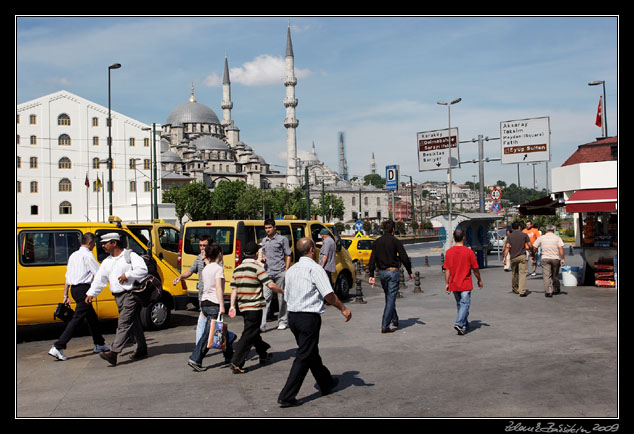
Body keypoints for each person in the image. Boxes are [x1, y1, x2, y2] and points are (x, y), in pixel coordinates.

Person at [277, 237, 351, 408]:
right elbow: (329, 295)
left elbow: (286, 296)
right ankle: (287, 395)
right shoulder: (315, 269)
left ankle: (326, 382)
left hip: (293, 317)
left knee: (310, 352)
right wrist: (343, 308)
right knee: (304, 355)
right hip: (308, 318)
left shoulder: (291, 270)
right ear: (312, 250)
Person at [85, 233, 148, 366]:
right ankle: (142, 348)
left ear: (114, 243)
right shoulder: (107, 262)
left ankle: (113, 352)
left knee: (124, 323)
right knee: (133, 322)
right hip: (118, 297)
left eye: (105, 243)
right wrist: (91, 294)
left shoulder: (130, 256)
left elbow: (143, 270)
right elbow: (100, 280)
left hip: (131, 294)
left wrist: (128, 275)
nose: (103, 246)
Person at [48, 232, 110, 361]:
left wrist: (65, 295)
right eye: (93, 244)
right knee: (77, 319)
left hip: (74, 290)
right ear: (90, 243)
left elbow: (67, 277)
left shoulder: (73, 255)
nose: (94, 246)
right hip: (84, 289)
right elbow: (98, 274)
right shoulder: (88, 256)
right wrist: (94, 291)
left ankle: (99, 343)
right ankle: (58, 346)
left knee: (92, 317)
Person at [228, 241, 284, 374]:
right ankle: (236, 362)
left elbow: (234, 290)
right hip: (255, 306)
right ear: (255, 255)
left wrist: (232, 306)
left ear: (243, 254)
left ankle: (263, 353)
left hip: (243, 307)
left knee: (253, 332)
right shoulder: (257, 268)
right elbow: (270, 285)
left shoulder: (237, 269)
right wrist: (283, 292)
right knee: (249, 334)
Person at [188, 243, 235, 371]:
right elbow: (219, 288)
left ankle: (230, 355)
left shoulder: (206, 268)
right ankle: (196, 358)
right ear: (219, 254)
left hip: (204, 302)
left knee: (219, 331)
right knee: (210, 334)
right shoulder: (218, 269)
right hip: (214, 303)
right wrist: (222, 305)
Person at [368, 220, 413, 333]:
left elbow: (372, 259)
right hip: (393, 272)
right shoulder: (395, 241)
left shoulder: (377, 242)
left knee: (389, 296)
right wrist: (409, 271)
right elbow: (404, 258)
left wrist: (371, 275)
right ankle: (385, 325)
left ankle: (395, 318)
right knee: (391, 298)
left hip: (381, 273)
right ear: (393, 230)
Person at [443, 229, 483, 335]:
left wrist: (447, 283)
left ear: (454, 238)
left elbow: (447, 270)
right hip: (465, 283)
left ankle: (464, 325)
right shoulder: (469, 252)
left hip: (454, 283)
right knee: (465, 304)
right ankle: (459, 323)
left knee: (460, 305)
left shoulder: (449, 252)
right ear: (464, 238)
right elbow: (475, 268)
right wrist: (479, 280)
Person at [173, 236, 211, 343]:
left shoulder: (215, 258)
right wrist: (180, 277)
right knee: (202, 324)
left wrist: (205, 259)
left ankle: (228, 339)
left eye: (204, 245)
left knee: (215, 325)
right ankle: (198, 348)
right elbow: (190, 271)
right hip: (202, 297)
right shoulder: (199, 258)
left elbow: (215, 271)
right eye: (200, 245)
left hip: (213, 298)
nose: (202, 248)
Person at [260, 218, 292, 331]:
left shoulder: (282, 239)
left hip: (279, 272)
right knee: (265, 299)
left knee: (281, 298)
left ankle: (283, 321)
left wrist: (287, 269)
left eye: (269, 227)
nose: (267, 230)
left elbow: (288, 254)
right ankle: (262, 324)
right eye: (266, 228)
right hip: (267, 273)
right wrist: (263, 259)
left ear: (274, 227)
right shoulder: (264, 241)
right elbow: (263, 253)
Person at [533, 225, 566, 298]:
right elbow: (561, 248)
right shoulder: (557, 238)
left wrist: (533, 254)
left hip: (545, 258)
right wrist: (563, 258)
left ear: (546, 230)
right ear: (554, 230)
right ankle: (556, 289)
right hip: (555, 259)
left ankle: (548, 291)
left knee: (546, 275)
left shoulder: (541, 238)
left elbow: (534, 247)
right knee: (555, 275)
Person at [502, 222, 533, 297]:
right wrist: (532, 252)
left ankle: (515, 288)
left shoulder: (510, 236)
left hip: (513, 257)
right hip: (522, 256)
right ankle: (522, 291)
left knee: (514, 273)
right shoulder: (524, 235)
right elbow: (530, 245)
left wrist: (505, 257)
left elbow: (507, 247)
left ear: (512, 228)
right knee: (522, 274)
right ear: (519, 227)